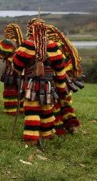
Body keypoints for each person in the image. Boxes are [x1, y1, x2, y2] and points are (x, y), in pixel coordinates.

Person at [11, 18, 68, 146]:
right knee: (47, 109)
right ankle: (47, 135)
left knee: (32, 110)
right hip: (48, 85)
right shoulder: (53, 46)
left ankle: (31, 138)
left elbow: (16, 64)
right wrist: (61, 86)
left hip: (31, 84)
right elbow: (60, 69)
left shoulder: (27, 45)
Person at [46, 24, 83, 134]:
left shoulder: (49, 45)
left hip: (56, 78)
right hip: (67, 78)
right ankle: (71, 125)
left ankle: (58, 128)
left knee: (55, 103)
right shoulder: (65, 43)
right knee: (66, 102)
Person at [0, 23, 25, 115]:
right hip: (22, 70)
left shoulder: (6, 43)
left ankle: (11, 111)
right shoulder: (25, 42)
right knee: (22, 89)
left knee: (10, 90)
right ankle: (22, 109)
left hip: (10, 71)